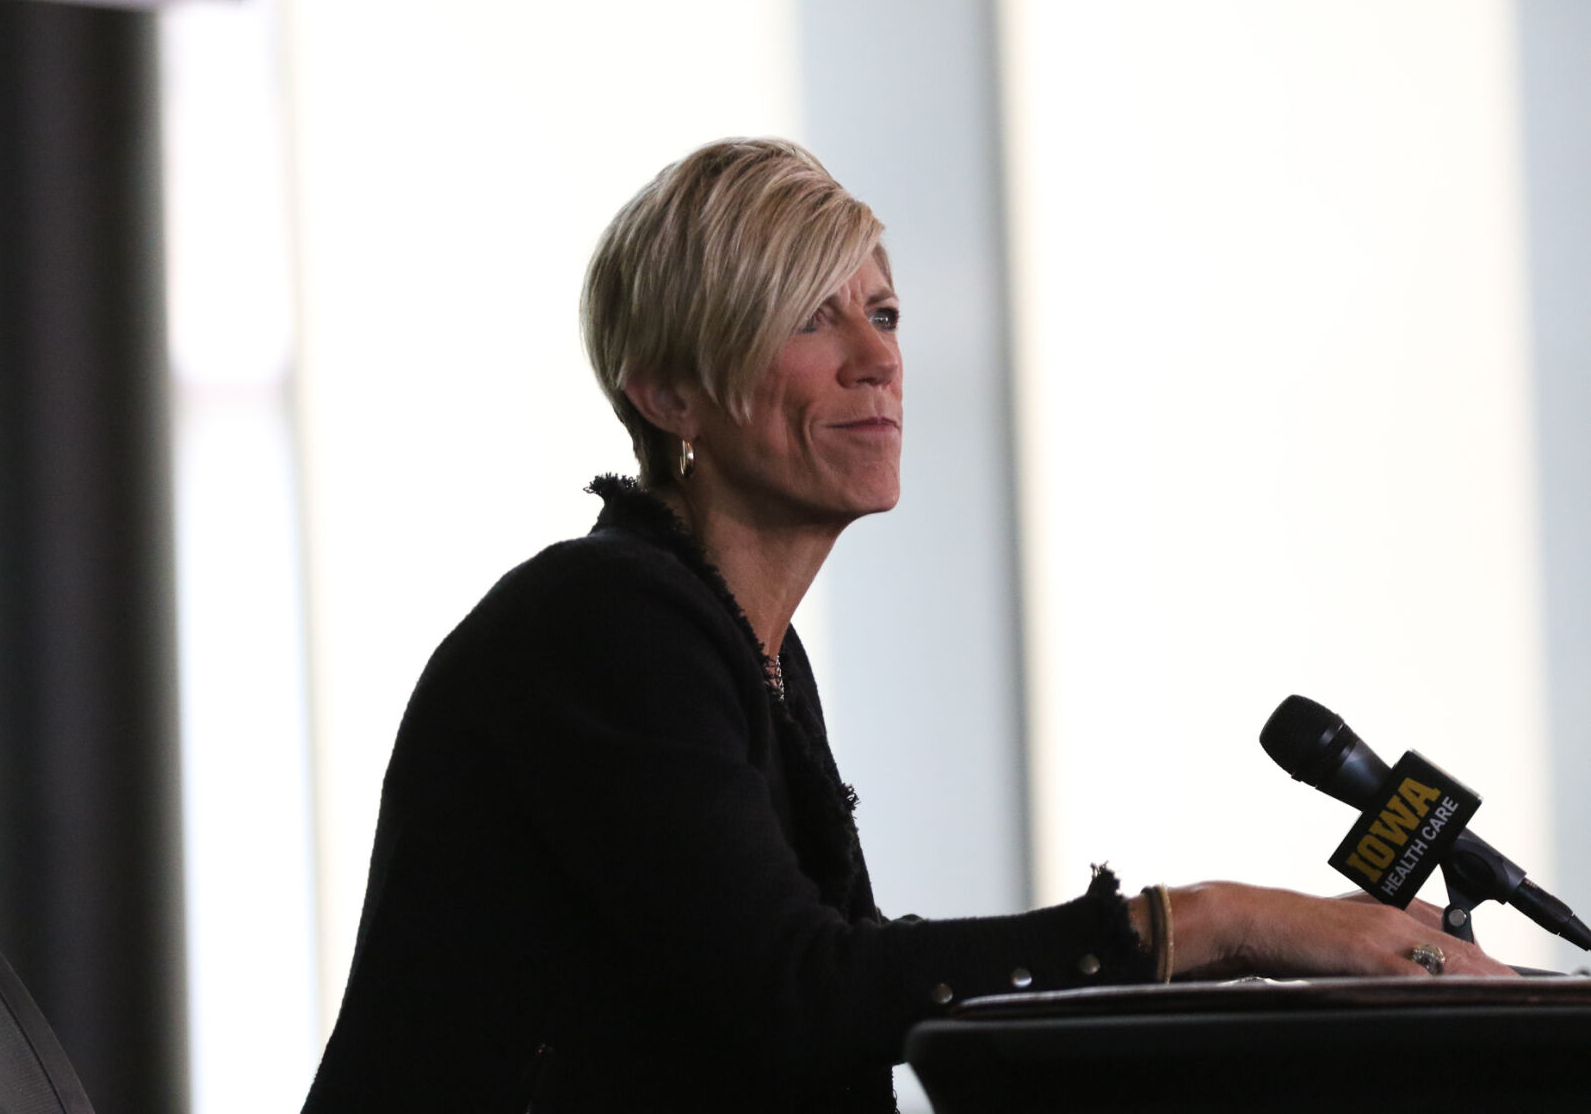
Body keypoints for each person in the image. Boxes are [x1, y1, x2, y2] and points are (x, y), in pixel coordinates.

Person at [299, 137, 1508, 1114]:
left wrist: (1250, 958)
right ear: (666, 392)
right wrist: (1222, 917)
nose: (876, 358)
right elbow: (804, 995)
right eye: (809, 319)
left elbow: (848, 979)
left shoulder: (737, 638)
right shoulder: (602, 624)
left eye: (880, 311)